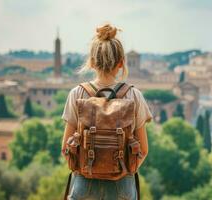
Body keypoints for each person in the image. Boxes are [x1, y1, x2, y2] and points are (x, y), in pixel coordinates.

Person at [61, 24, 152, 200]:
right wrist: (124, 172)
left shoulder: (77, 94)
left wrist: (84, 171)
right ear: (121, 63)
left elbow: (66, 148)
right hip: (122, 186)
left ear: (92, 62)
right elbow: (144, 150)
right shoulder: (134, 95)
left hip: (83, 184)